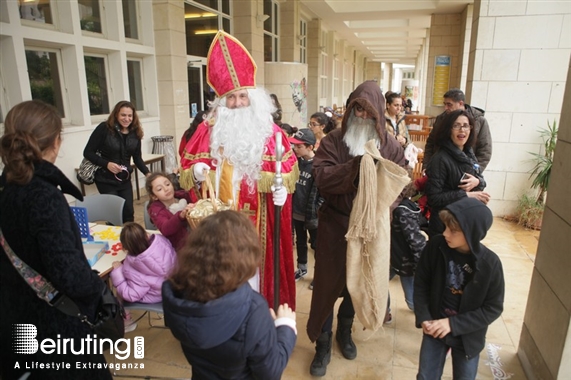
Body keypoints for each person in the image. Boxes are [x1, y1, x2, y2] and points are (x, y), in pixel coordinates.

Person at [178, 31, 299, 309]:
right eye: (230, 98)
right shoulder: (207, 132)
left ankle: (256, 319)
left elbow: (286, 173)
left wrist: (282, 194)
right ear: (221, 102)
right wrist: (198, 173)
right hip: (218, 225)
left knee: (253, 276)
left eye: (242, 96)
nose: (237, 103)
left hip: (256, 224)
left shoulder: (272, 134)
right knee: (221, 275)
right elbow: (189, 170)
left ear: (253, 98)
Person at [0, 100, 112, 379]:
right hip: (56, 329)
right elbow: (70, 275)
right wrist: (96, 286)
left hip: (17, 317)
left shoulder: (6, 188)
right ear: (56, 141)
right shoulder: (43, 195)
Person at [307, 81, 407, 377]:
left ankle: (345, 332)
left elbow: (401, 182)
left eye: (368, 110)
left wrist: (381, 209)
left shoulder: (389, 145)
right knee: (327, 287)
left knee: (357, 285)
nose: (362, 115)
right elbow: (322, 178)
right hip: (334, 227)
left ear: (378, 114)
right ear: (350, 109)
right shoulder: (333, 141)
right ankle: (322, 345)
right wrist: (356, 167)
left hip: (369, 231)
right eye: (357, 108)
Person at [162, 210, 297, 380]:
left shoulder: (177, 292)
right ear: (245, 255)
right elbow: (270, 372)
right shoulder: (253, 309)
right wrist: (285, 328)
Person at [414, 197, 505, 380]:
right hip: (434, 328)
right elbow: (421, 283)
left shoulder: (490, 264)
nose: (446, 233)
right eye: (445, 227)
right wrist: (424, 317)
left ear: (472, 233)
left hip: (467, 338)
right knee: (426, 376)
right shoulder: (435, 247)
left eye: (453, 230)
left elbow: (493, 308)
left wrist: (452, 324)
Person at [425, 109, 490, 237]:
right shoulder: (440, 159)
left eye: (466, 126)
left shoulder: (468, 152)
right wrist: (466, 195)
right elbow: (434, 198)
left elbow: (481, 180)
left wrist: (478, 181)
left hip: (464, 221)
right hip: (445, 228)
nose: (462, 130)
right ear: (448, 130)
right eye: (456, 126)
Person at [83, 100, 150, 223]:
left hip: (124, 179)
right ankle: (114, 239)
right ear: (116, 115)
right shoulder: (104, 128)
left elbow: (137, 158)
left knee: (128, 212)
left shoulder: (135, 132)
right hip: (105, 178)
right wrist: (106, 164)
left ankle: (128, 240)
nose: (127, 119)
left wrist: (148, 174)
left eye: (130, 116)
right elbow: (88, 152)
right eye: (123, 115)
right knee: (114, 214)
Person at [424, 88, 492, 172]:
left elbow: (485, 151)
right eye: (444, 104)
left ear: (460, 103)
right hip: (440, 169)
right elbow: (431, 143)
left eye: (449, 105)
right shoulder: (441, 119)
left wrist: (475, 173)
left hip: (465, 171)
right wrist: (426, 166)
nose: (445, 108)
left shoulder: (479, 121)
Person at [111, 222, 177, 304]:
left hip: (157, 295)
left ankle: (124, 315)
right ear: (147, 235)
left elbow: (130, 295)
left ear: (124, 248)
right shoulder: (161, 241)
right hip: (173, 286)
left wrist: (118, 274)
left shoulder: (133, 269)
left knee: (120, 292)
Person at [289, 128, 321, 282]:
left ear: (310, 147)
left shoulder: (318, 166)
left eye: (299, 146)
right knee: (300, 242)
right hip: (296, 211)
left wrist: (316, 210)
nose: (295, 149)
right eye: (294, 146)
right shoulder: (295, 163)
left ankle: (319, 275)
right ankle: (301, 268)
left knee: (317, 245)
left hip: (312, 214)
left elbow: (321, 194)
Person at [389, 182, 427, 311]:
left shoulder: (401, 210)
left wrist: (421, 263)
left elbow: (416, 241)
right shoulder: (409, 205)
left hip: (401, 258)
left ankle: (417, 309)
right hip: (399, 256)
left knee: (381, 283)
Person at [145, 172, 195, 250]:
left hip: (195, 239)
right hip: (178, 247)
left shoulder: (183, 196)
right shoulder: (156, 210)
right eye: (159, 189)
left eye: (167, 184)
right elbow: (166, 229)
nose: (166, 189)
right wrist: (180, 216)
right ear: (154, 196)